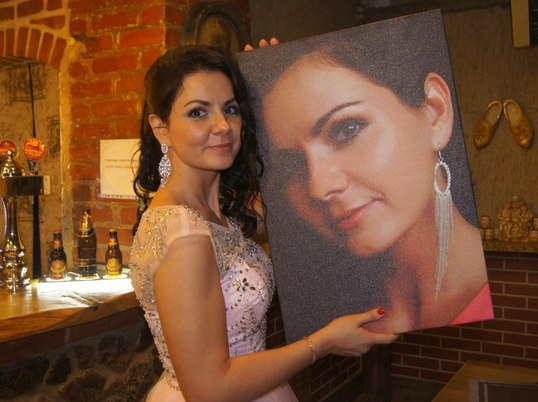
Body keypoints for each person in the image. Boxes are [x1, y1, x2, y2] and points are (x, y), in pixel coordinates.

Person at [129, 44, 398, 401]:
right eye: (198, 112)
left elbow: (286, 194)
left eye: (230, 109)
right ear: (161, 129)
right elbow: (209, 390)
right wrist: (322, 343)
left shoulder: (222, 212)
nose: (222, 126)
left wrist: (268, 79)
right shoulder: (183, 234)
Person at [238, 12, 493, 335]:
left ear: (435, 112)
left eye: (346, 129)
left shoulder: (501, 298)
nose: (318, 187)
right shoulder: (332, 315)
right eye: (291, 164)